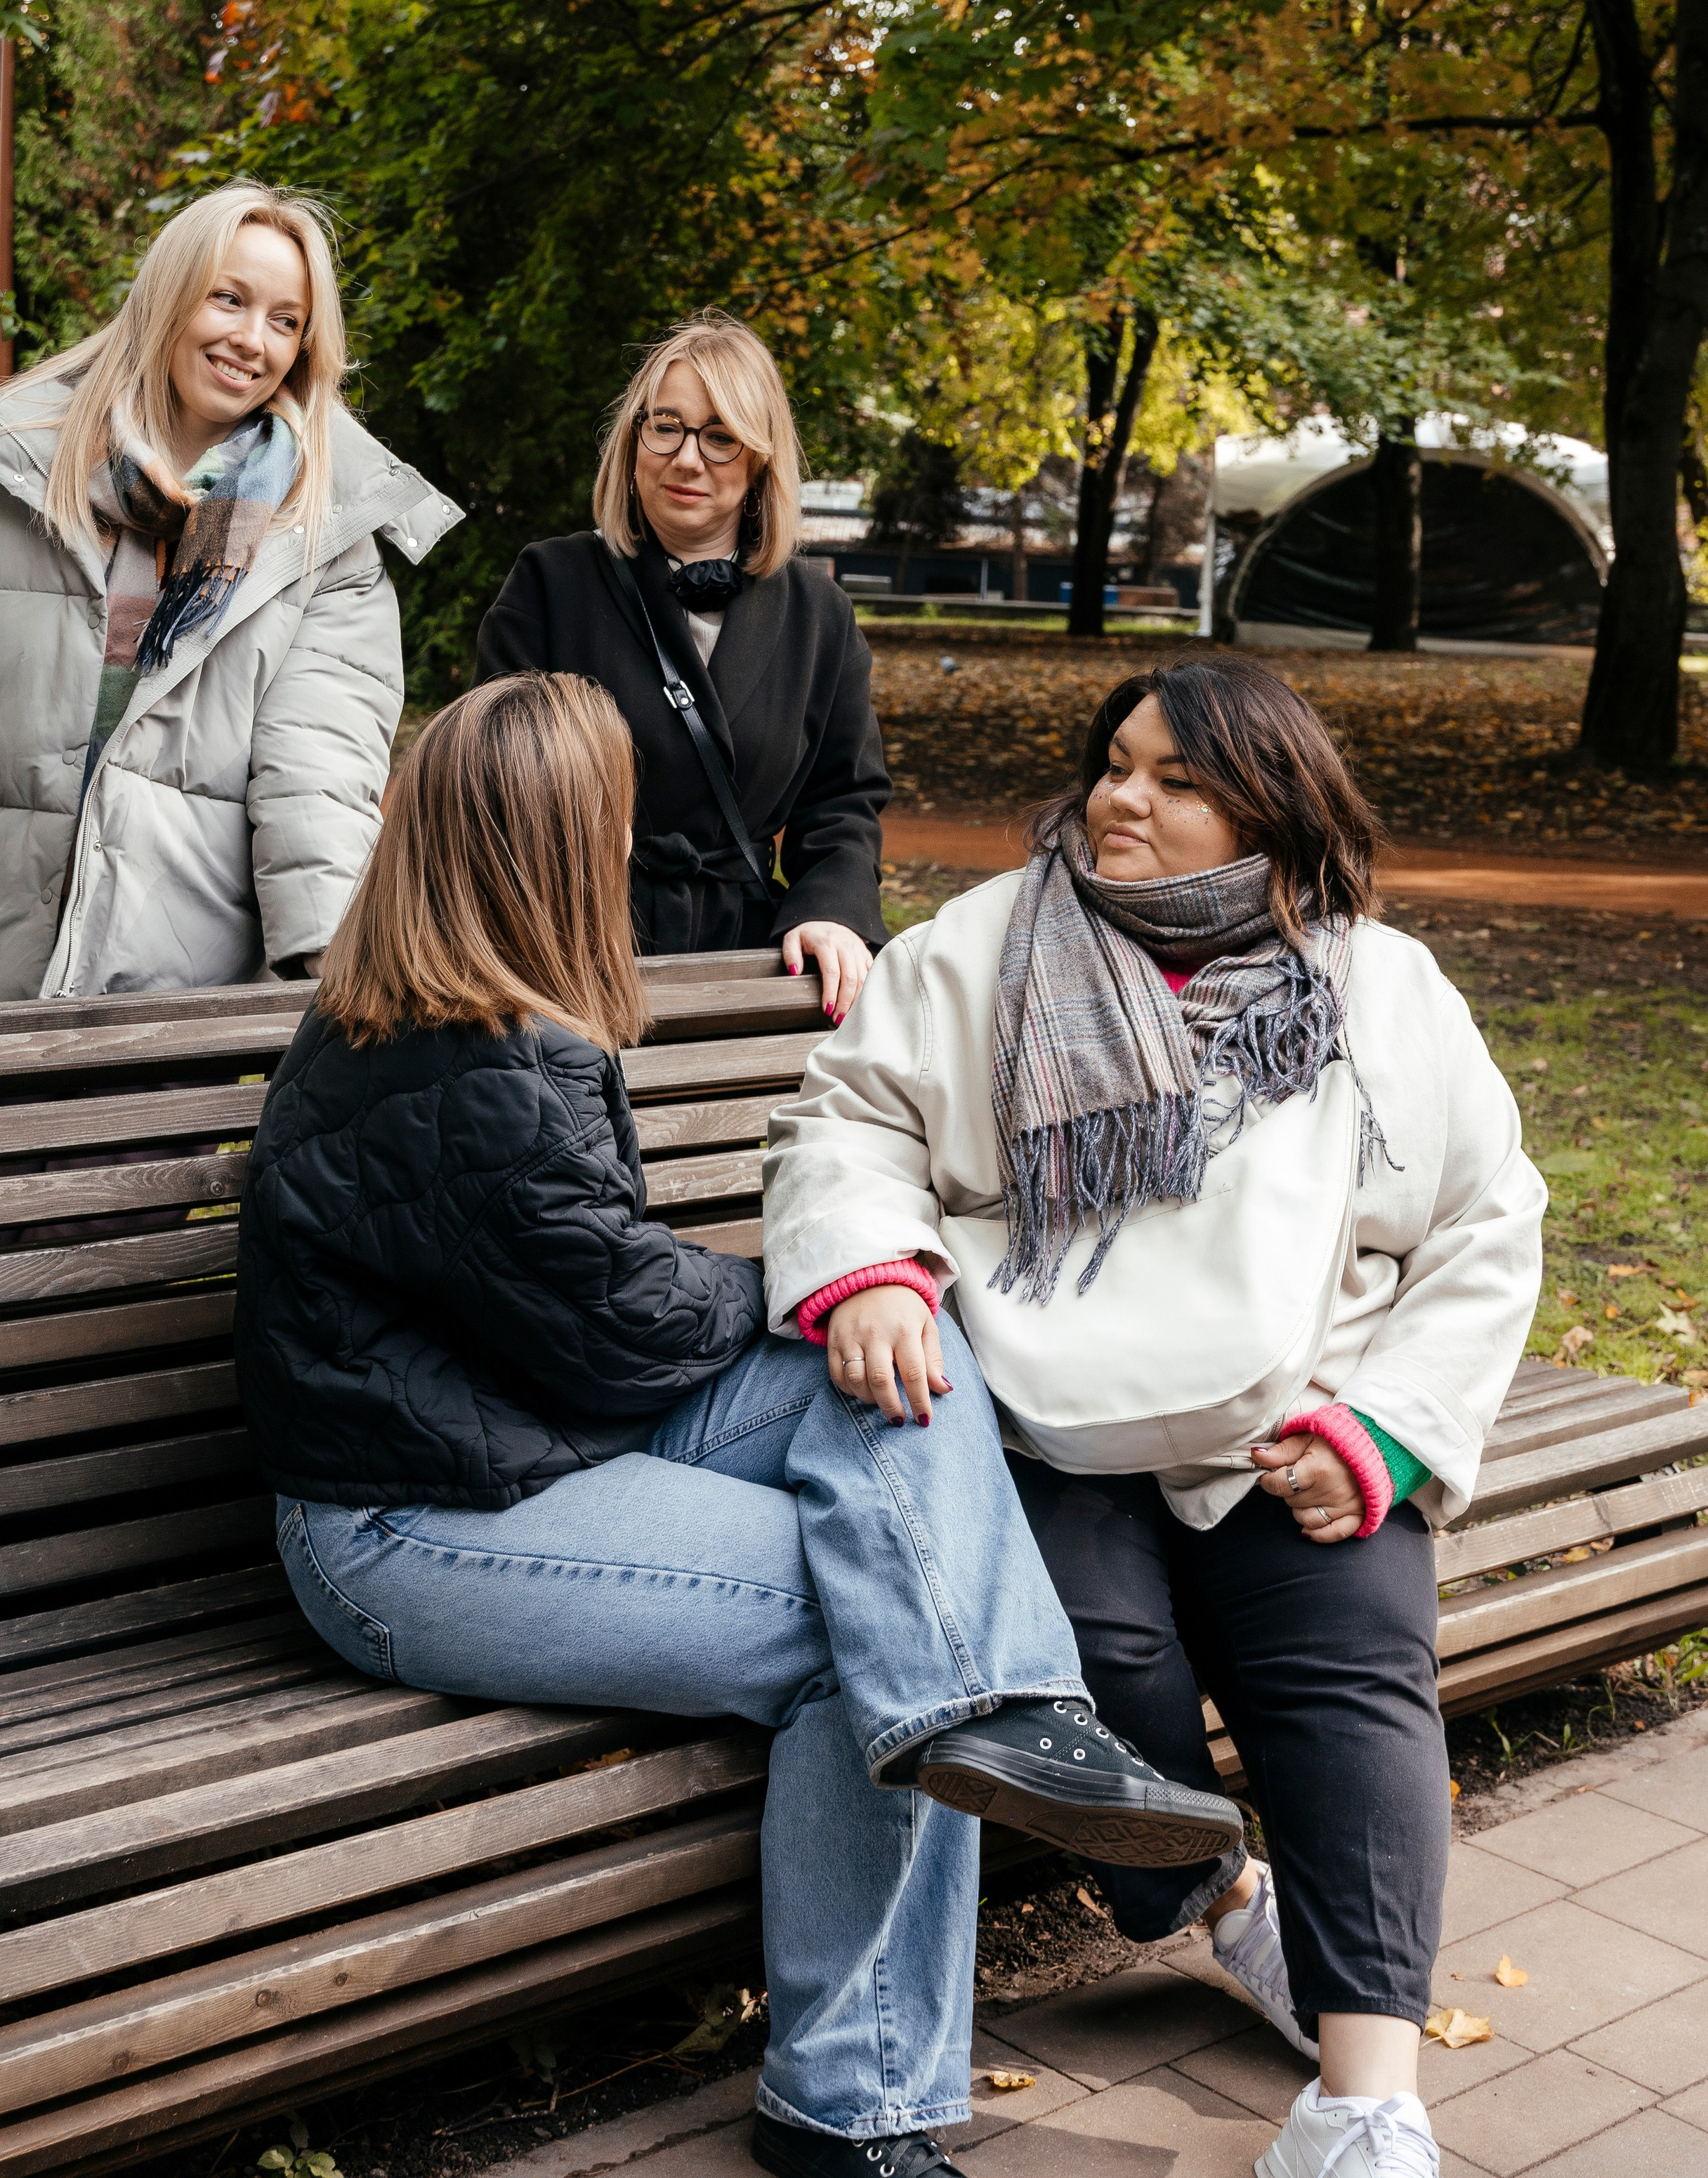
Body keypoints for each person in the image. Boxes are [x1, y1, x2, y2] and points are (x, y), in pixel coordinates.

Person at [233, 667, 1242, 2178]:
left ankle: (1017, 1711)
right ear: (553, 845)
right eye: (614, 814)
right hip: (410, 1528)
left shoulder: (477, 1012)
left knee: (906, 1349)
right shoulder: (463, 1065)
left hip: (534, 1437)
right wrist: (793, 1282)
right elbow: (621, 1326)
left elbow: (603, 1331)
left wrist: (858, 1290)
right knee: (875, 1625)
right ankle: (851, 2108)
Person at [761, 654, 1546, 2178]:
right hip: (1040, 1418)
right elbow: (848, 1120)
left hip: (1295, 1412)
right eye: (1115, 762)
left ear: (1271, 814)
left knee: (1354, 1667)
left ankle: (1364, 2106)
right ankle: (1222, 1906)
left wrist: (1381, 1431)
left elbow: (1484, 1219)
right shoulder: (981, 949)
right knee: (1089, 1663)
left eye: (1176, 780)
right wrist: (870, 1272)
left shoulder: (1376, 984)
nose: (1120, 796)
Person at [0, 181, 459, 1000]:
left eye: (287, 321)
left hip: (165, 1006)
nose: (254, 340)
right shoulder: (20, 471)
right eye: (229, 299)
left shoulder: (322, 537)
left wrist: (332, 981)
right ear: (170, 298)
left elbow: (315, 778)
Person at [476, 310, 886, 1022]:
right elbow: (489, 767)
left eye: (720, 436)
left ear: (760, 458)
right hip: (572, 949)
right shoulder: (551, 581)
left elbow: (843, 802)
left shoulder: (819, 613)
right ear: (635, 438)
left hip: (745, 957)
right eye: (666, 426)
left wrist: (832, 909)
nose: (688, 458)